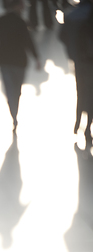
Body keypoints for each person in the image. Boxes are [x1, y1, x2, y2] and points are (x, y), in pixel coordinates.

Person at [0, 0, 41, 132]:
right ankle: (15, 110)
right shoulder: (21, 22)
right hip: (19, 61)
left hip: (4, 60)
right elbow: (28, 41)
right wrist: (36, 57)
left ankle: (13, 113)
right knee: (17, 88)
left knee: (9, 88)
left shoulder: (0, 21)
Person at [59, 0, 93, 145]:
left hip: (78, 61)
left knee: (81, 91)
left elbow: (61, 36)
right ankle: (88, 127)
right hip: (90, 61)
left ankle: (78, 121)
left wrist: (71, 53)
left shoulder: (71, 15)